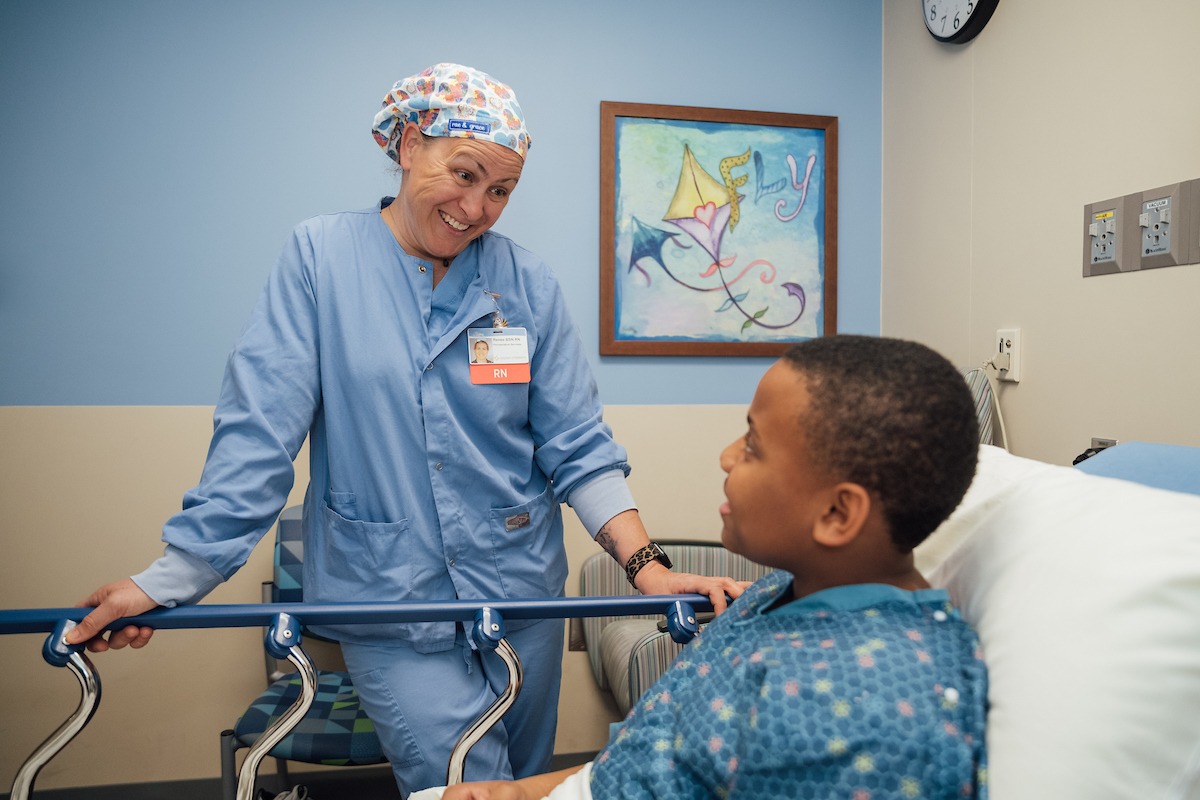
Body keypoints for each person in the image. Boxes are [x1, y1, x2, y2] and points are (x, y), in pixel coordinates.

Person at [65, 63, 745, 795]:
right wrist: (169, 581)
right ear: (410, 144)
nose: (476, 207)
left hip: (525, 600)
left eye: (500, 190)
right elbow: (261, 436)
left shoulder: (527, 285)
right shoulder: (321, 260)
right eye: (463, 174)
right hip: (389, 602)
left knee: (523, 781)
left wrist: (649, 566)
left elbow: (577, 445)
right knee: (468, 786)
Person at [433, 335, 988, 800]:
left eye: (753, 446)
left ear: (838, 513)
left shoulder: (865, 715)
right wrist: (526, 792)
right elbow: (665, 754)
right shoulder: (775, 595)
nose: (726, 456)